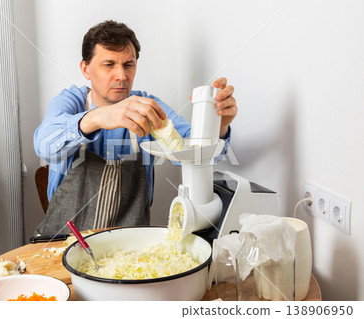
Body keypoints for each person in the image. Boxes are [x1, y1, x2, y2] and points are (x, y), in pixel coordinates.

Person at [33, 20, 237, 235]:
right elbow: (44, 147)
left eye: (128, 65)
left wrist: (217, 125)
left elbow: (195, 154)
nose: (121, 76)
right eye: (109, 64)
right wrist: (99, 117)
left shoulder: (145, 107)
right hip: (66, 240)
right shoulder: (70, 102)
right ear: (86, 69)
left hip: (130, 242)